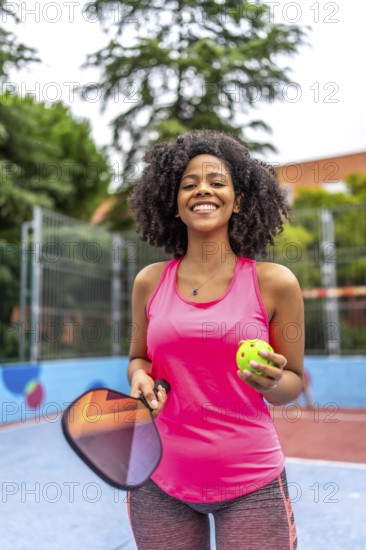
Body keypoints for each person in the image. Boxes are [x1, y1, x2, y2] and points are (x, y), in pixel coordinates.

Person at [125, 130, 304, 550]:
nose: (202, 189)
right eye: (189, 184)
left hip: (251, 483)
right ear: (174, 204)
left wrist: (273, 382)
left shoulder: (275, 283)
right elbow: (137, 359)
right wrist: (138, 377)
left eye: (216, 181)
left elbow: (292, 382)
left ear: (238, 200)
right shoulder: (148, 282)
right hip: (157, 481)